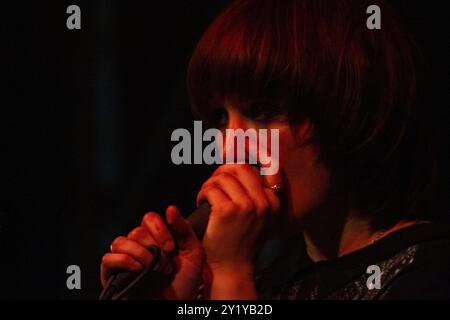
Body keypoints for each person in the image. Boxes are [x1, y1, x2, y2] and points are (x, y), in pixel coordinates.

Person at [100, 0, 450, 299]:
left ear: (351, 110)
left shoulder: (428, 275)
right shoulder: (277, 280)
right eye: (221, 118)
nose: (230, 148)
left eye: (262, 112)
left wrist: (231, 274)